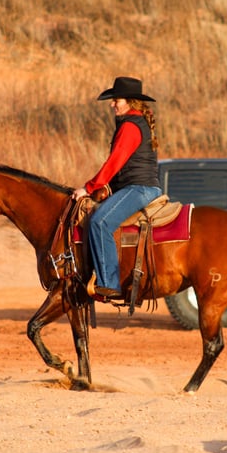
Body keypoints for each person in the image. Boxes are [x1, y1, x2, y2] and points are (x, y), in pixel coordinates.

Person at [71, 77, 162, 299]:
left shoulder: (130, 126)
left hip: (139, 188)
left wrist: (88, 188)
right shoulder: (135, 122)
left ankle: (109, 283)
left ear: (130, 101)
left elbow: (114, 163)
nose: (112, 104)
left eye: (116, 100)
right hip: (140, 186)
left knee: (99, 222)